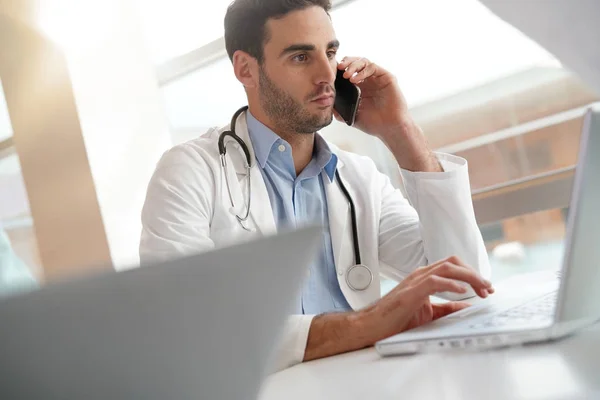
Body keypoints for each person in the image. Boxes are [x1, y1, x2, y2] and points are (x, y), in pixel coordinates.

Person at [140, 0, 494, 371]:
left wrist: (400, 131)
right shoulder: (191, 171)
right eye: (300, 57)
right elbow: (181, 326)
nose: (327, 74)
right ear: (246, 69)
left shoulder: (358, 177)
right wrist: (365, 325)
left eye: (331, 52)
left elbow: (468, 283)